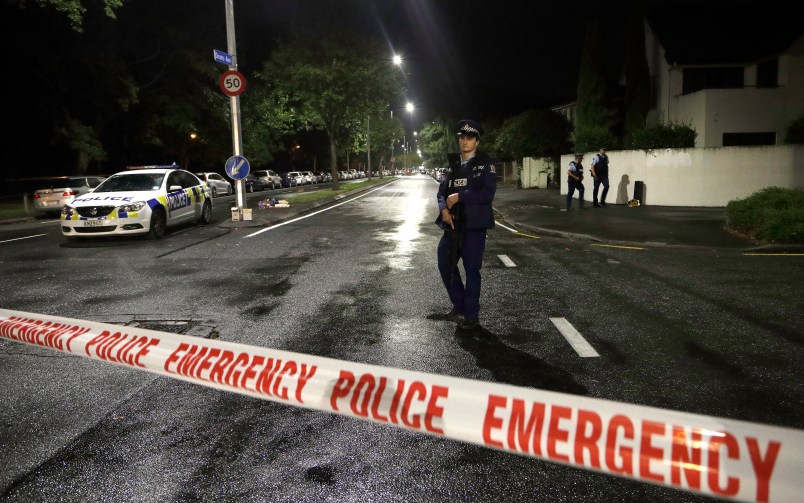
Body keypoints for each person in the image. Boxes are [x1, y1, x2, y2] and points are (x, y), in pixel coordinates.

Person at [435, 119, 496, 330]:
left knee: (472, 270)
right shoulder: (453, 165)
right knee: (445, 263)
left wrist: (459, 197)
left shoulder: (485, 164)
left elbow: (486, 194)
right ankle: (459, 306)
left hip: (473, 226)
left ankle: (471, 315)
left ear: (477, 142)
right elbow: (442, 192)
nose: (465, 141)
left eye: (469, 138)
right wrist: (444, 209)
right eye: (462, 137)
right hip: (452, 226)